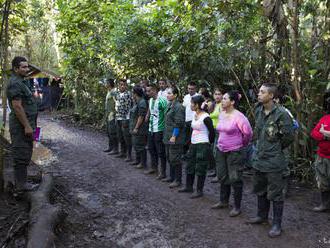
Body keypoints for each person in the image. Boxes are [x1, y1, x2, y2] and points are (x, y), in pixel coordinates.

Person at [248, 83, 294, 238]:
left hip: (274, 161)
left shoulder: (282, 114)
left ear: (271, 96)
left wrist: (274, 148)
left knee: (275, 194)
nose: (258, 94)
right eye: (259, 91)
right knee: (260, 189)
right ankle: (262, 216)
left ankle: (277, 225)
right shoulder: (258, 110)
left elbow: (288, 137)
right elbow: (258, 132)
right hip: (259, 159)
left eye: (262, 92)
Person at [211, 91, 253, 217]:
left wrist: (241, 145)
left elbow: (248, 134)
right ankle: (223, 201)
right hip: (221, 149)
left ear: (232, 102)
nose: (221, 100)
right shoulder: (222, 114)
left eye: (224, 99)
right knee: (222, 176)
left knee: (235, 179)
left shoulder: (239, 117)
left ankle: (237, 206)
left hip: (235, 151)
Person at [6, 56, 38, 193]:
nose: (26, 69)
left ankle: (22, 183)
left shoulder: (22, 82)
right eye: (23, 67)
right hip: (20, 127)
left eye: (27, 66)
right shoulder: (15, 83)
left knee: (26, 153)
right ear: (15, 68)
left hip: (27, 124)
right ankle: (20, 187)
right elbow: (17, 107)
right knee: (20, 155)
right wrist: (27, 126)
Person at [178, 95, 215, 198]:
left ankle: (199, 190)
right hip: (194, 144)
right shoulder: (195, 115)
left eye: (192, 104)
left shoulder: (206, 117)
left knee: (200, 167)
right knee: (190, 165)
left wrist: (208, 143)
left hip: (202, 144)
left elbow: (212, 132)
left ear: (198, 105)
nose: (191, 105)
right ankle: (189, 186)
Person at [310, 90, 330, 212]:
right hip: (323, 157)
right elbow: (314, 133)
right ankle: (324, 204)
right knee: (323, 182)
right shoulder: (325, 118)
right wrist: (325, 136)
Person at [162, 86, 185, 188]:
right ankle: (172, 177)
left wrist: (174, 136)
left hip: (175, 137)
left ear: (175, 95)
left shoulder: (178, 107)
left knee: (175, 158)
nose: (168, 95)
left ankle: (178, 180)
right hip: (167, 135)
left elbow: (178, 123)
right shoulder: (169, 105)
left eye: (170, 93)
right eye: (167, 93)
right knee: (169, 157)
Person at [145, 84, 168, 178]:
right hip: (151, 128)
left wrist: (166, 128)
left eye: (149, 91)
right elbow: (150, 110)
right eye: (147, 91)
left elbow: (167, 113)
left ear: (154, 90)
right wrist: (147, 115)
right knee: (151, 148)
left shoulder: (162, 100)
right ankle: (154, 168)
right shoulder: (150, 100)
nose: (147, 93)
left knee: (160, 151)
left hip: (159, 129)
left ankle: (163, 172)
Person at [112, 79, 133, 161]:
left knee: (127, 137)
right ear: (118, 86)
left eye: (124, 85)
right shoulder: (117, 94)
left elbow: (128, 107)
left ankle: (129, 155)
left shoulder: (128, 94)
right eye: (120, 85)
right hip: (118, 118)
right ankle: (122, 152)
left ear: (126, 86)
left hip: (125, 118)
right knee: (120, 136)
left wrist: (125, 118)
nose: (122, 86)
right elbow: (116, 105)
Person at [129, 85, 148, 169]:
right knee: (136, 144)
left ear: (135, 93)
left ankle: (143, 163)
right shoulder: (136, 102)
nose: (132, 94)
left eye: (133, 93)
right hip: (135, 126)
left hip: (140, 129)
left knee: (140, 145)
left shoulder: (142, 102)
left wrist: (136, 127)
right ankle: (138, 160)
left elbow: (141, 116)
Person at [208, 88, 223, 182]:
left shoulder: (222, 105)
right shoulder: (213, 105)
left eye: (219, 94)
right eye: (215, 94)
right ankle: (215, 171)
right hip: (212, 130)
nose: (217, 96)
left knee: (216, 152)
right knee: (212, 152)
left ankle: (219, 174)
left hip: (219, 131)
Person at [182, 82, 199, 153]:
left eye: (192, 89)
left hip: (195, 121)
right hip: (186, 120)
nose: (190, 90)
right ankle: (185, 154)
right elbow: (183, 108)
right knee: (185, 138)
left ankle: (192, 154)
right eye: (189, 89)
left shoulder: (199, 97)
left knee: (193, 138)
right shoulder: (186, 97)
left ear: (195, 89)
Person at [103, 79, 118, 154]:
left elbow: (117, 102)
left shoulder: (113, 92)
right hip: (108, 114)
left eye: (106, 83)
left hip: (112, 114)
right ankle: (110, 147)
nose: (105, 84)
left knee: (113, 132)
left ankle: (115, 149)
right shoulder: (109, 91)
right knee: (109, 132)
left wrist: (115, 113)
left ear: (109, 84)